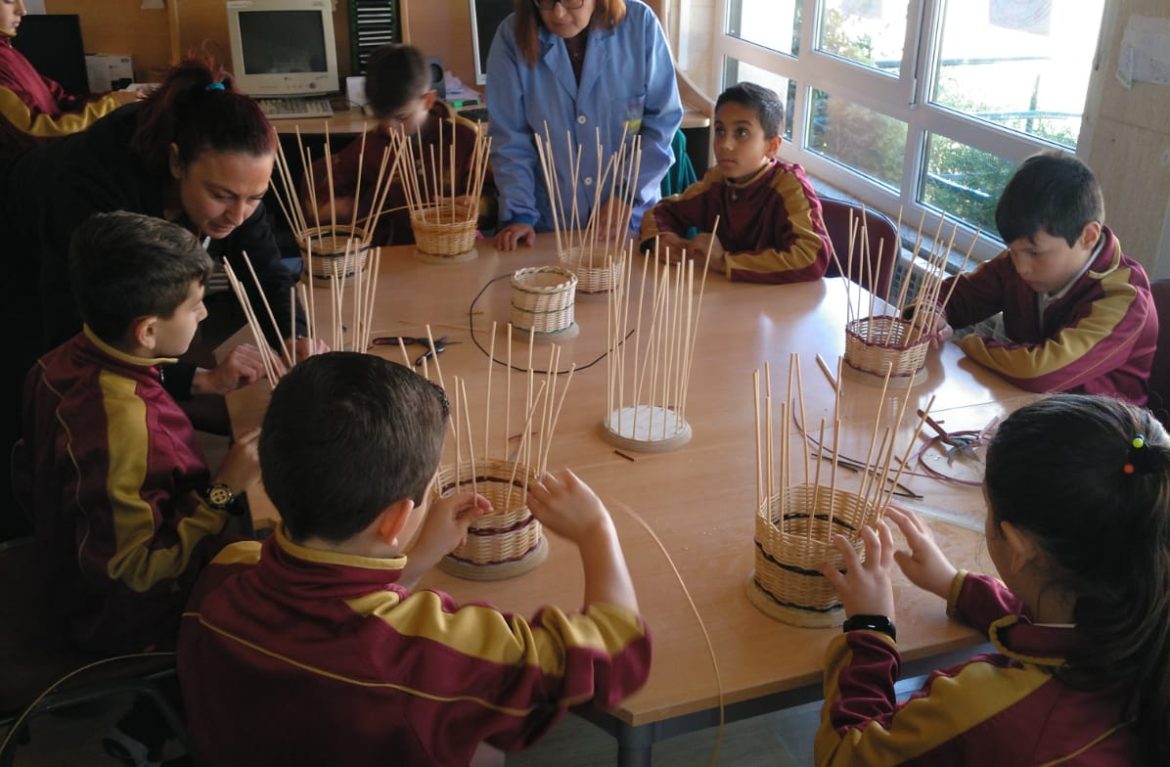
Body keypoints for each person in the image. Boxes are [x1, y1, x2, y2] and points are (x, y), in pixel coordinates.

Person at [178, 352, 651, 767]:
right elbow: (617, 655)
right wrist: (596, 532)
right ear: (396, 518)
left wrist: (418, 557)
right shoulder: (431, 651)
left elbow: (326, 612)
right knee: (482, 741)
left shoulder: (228, 566)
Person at [0, 59, 322, 531]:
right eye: (223, 196)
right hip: (19, 259)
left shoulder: (232, 177)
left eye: (254, 198)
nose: (239, 214)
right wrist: (197, 381)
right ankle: (40, 531)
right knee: (53, 396)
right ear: (176, 162)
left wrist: (292, 335)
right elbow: (83, 339)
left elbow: (265, 270)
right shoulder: (88, 190)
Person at [817, 393, 1170, 764]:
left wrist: (869, 627)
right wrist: (957, 586)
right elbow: (1062, 624)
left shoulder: (983, 711)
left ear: (1019, 546)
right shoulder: (1142, 610)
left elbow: (843, 756)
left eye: (989, 509)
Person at [12, 211, 262, 656]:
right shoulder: (124, 429)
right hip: (117, 618)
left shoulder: (56, 361)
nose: (204, 313)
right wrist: (225, 490)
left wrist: (206, 380)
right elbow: (136, 573)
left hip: (58, 554)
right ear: (147, 331)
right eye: (194, 306)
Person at [921, 152, 1156, 404]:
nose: (1021, 267)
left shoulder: (1125, 300)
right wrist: (930, 311)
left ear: (1088, 236)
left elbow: (1039, 372)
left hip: (1100, 433)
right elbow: (959, 295)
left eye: (1034, 252)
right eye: (1013, 250)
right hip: (1025, 407)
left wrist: (966, 343)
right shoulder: (1019, 262)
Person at [487, 0, 682, 251]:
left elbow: (662, 122)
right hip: (550, 226)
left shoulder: (640, 25)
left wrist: (627, 193)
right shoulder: (512, 38)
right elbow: (510, 139)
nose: (557, 12)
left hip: (629, 222)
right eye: (545, 1)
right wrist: (521, 214)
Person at [301, 43, 490, 246]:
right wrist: (336, 208)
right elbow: (328, 194)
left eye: (401, 118)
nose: (390, 130)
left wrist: (477, 205)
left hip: (453, 249)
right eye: (382, 118)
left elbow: (492, 199)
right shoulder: (369, 147)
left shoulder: (462, 139)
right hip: (395, 255)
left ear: (427, 101)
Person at [639, 81, 830, 283]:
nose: (725, 145)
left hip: (780, 308)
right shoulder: (717, 181)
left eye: (742, 133)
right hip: (729, 299)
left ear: (772, 146)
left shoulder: (789, 187)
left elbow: (812, 258)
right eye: (720, 131)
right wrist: (661, 239)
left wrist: (724, 261)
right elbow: (661, 211)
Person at [0, 0, 130, 142]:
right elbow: (34, 133)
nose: (23, 11)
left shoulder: (7, 52)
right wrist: (113, 104)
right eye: (9, 1)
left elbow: (57, 100)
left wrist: (117, 99)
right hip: (41, 159)